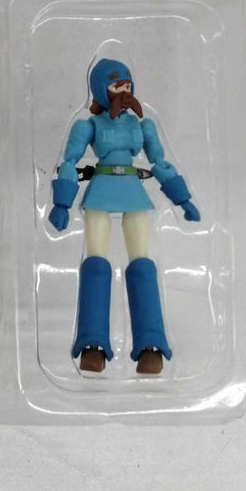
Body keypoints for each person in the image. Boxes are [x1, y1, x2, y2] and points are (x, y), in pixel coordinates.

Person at [48, 58, 199, 374]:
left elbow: (160, 163)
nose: (124, 91)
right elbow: (69, 162)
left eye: (127, 85)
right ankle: (92, 345)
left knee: (143, 264)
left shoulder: (142, 126)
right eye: (116, 85)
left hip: (132, 192)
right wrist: (62, 202)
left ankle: (151, 345)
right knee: (95, 264)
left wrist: (182, 199)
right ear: (101, 89)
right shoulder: (88, 126)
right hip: (101, 191)